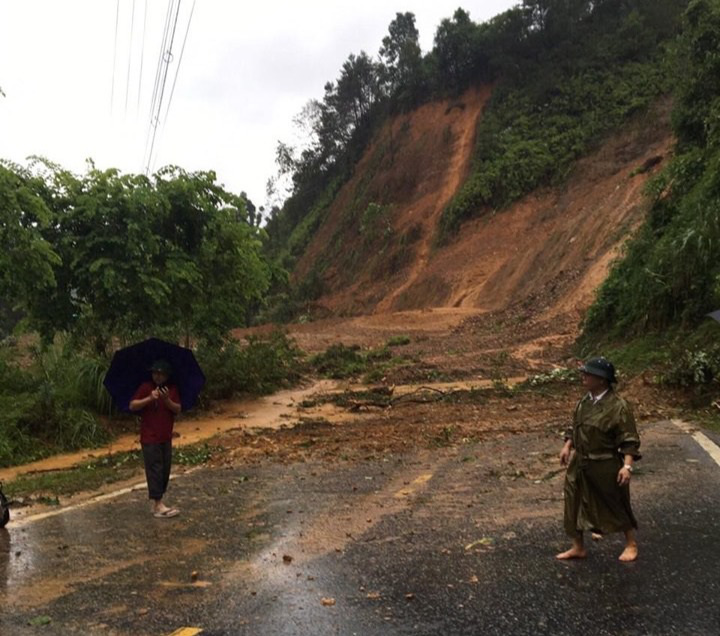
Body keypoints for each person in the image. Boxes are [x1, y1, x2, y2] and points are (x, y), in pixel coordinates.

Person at [556, 357, 641, 562]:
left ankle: (631, 543)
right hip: (581, 462)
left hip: (604, 463)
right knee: (573, 500)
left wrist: (627, 466)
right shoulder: (584, 401)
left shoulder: (618, 406)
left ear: (602, 380)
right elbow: (575, 426)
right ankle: (578, 546)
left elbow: (629, 438)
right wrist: (568, 446)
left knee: (615, 502)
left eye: (589, 374)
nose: (583, 377)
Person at [129, 359, 182, 518]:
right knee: (155, 469)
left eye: (161, 374)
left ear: (167, 375)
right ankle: (158, 503)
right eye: (155, 373)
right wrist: (149, 399)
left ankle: (159, 502)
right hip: (150, 437)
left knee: (165, 469)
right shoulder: (146, 388)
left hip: (165, 435)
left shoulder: (171, 389)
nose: (158, 377)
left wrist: (166, 400)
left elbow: (177, 409)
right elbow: (133, 405)